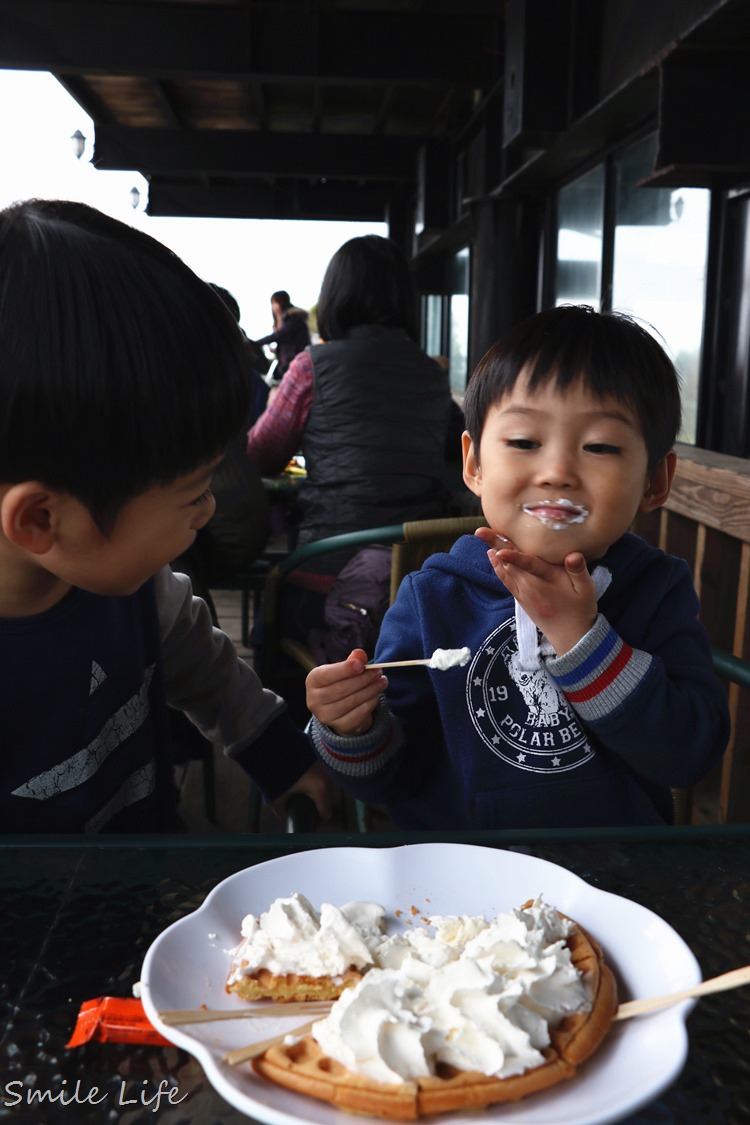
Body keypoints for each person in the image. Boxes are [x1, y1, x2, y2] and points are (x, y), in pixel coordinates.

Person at [304, 304, 729, 830]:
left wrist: (582, 639)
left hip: (611, 885)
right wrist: (353, 728)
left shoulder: (655, 590)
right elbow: (394, 778)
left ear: (655, 481)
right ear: (475, 464)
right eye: (525, 442)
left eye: (600, 446)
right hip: (461, 887)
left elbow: (689, 755)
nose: (556, 472)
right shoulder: (432, 597)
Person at [0, 198, 329, 833]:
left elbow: (204, 665)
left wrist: (279, 756)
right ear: (43, 519)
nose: (206, 511)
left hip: (138, 907)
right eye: (192, 493)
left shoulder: (144, 596)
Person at [246, 234, 453, 643]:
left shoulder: (312, 367)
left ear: (336, 294)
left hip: (329, 568)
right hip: (416, 579)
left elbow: (260, 455)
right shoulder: (433, 375)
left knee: (267, 632)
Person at [250, 290, 310, 378]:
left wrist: (256, 343)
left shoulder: (292, 317)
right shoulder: (284, 319)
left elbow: (280, 335)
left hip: (295, 361)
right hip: (288, 362)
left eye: (275, 303)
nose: (273, 307)